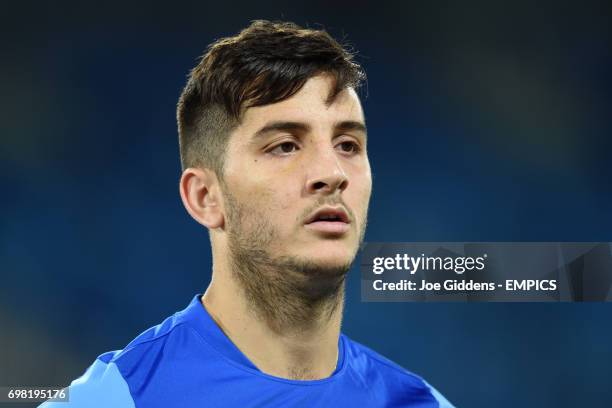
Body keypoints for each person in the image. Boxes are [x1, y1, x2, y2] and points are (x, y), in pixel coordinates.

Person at [40, 20, 454, 407]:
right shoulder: (122, 397)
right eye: (285, 146)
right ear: (205, 197)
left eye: (347, 144)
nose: (332, 174)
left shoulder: (418, 402)